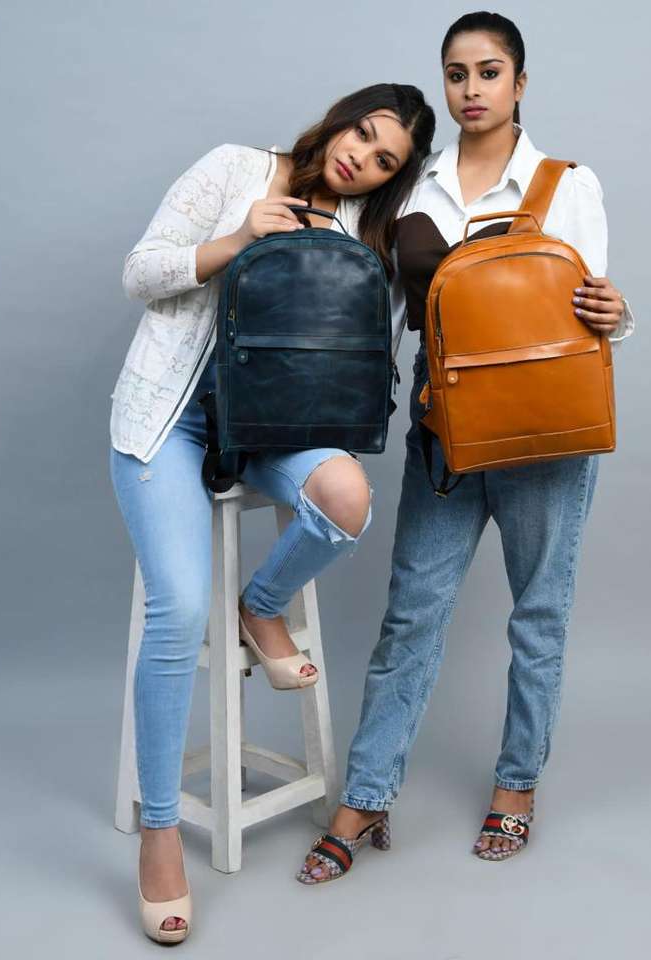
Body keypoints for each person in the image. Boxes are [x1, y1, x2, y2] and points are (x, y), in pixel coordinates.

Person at [297, 12, 635, 884]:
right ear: (443, 84)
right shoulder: (413, 184)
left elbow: (586, 318)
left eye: (489, 72)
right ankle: (367, 795)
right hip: (441, 432)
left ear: (519, 83)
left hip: (542, 434)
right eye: (456, 73)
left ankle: (515, 787)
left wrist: (619, 315)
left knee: (538, 618)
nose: (472, 89)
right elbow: (366, 291)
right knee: (411, 615)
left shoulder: (566, 184)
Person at [109, 82, 435, 941]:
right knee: (180, 609)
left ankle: (261, 606)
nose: (359, 158)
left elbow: (363, 352)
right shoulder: (234, 168)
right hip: (169, 420)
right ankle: (159, 832)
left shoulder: (360, 235)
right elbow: (140, 273)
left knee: (347, 498)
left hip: (272, 429)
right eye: (361, 133)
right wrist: (238, 238)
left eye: (384, 160)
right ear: (340, 118)